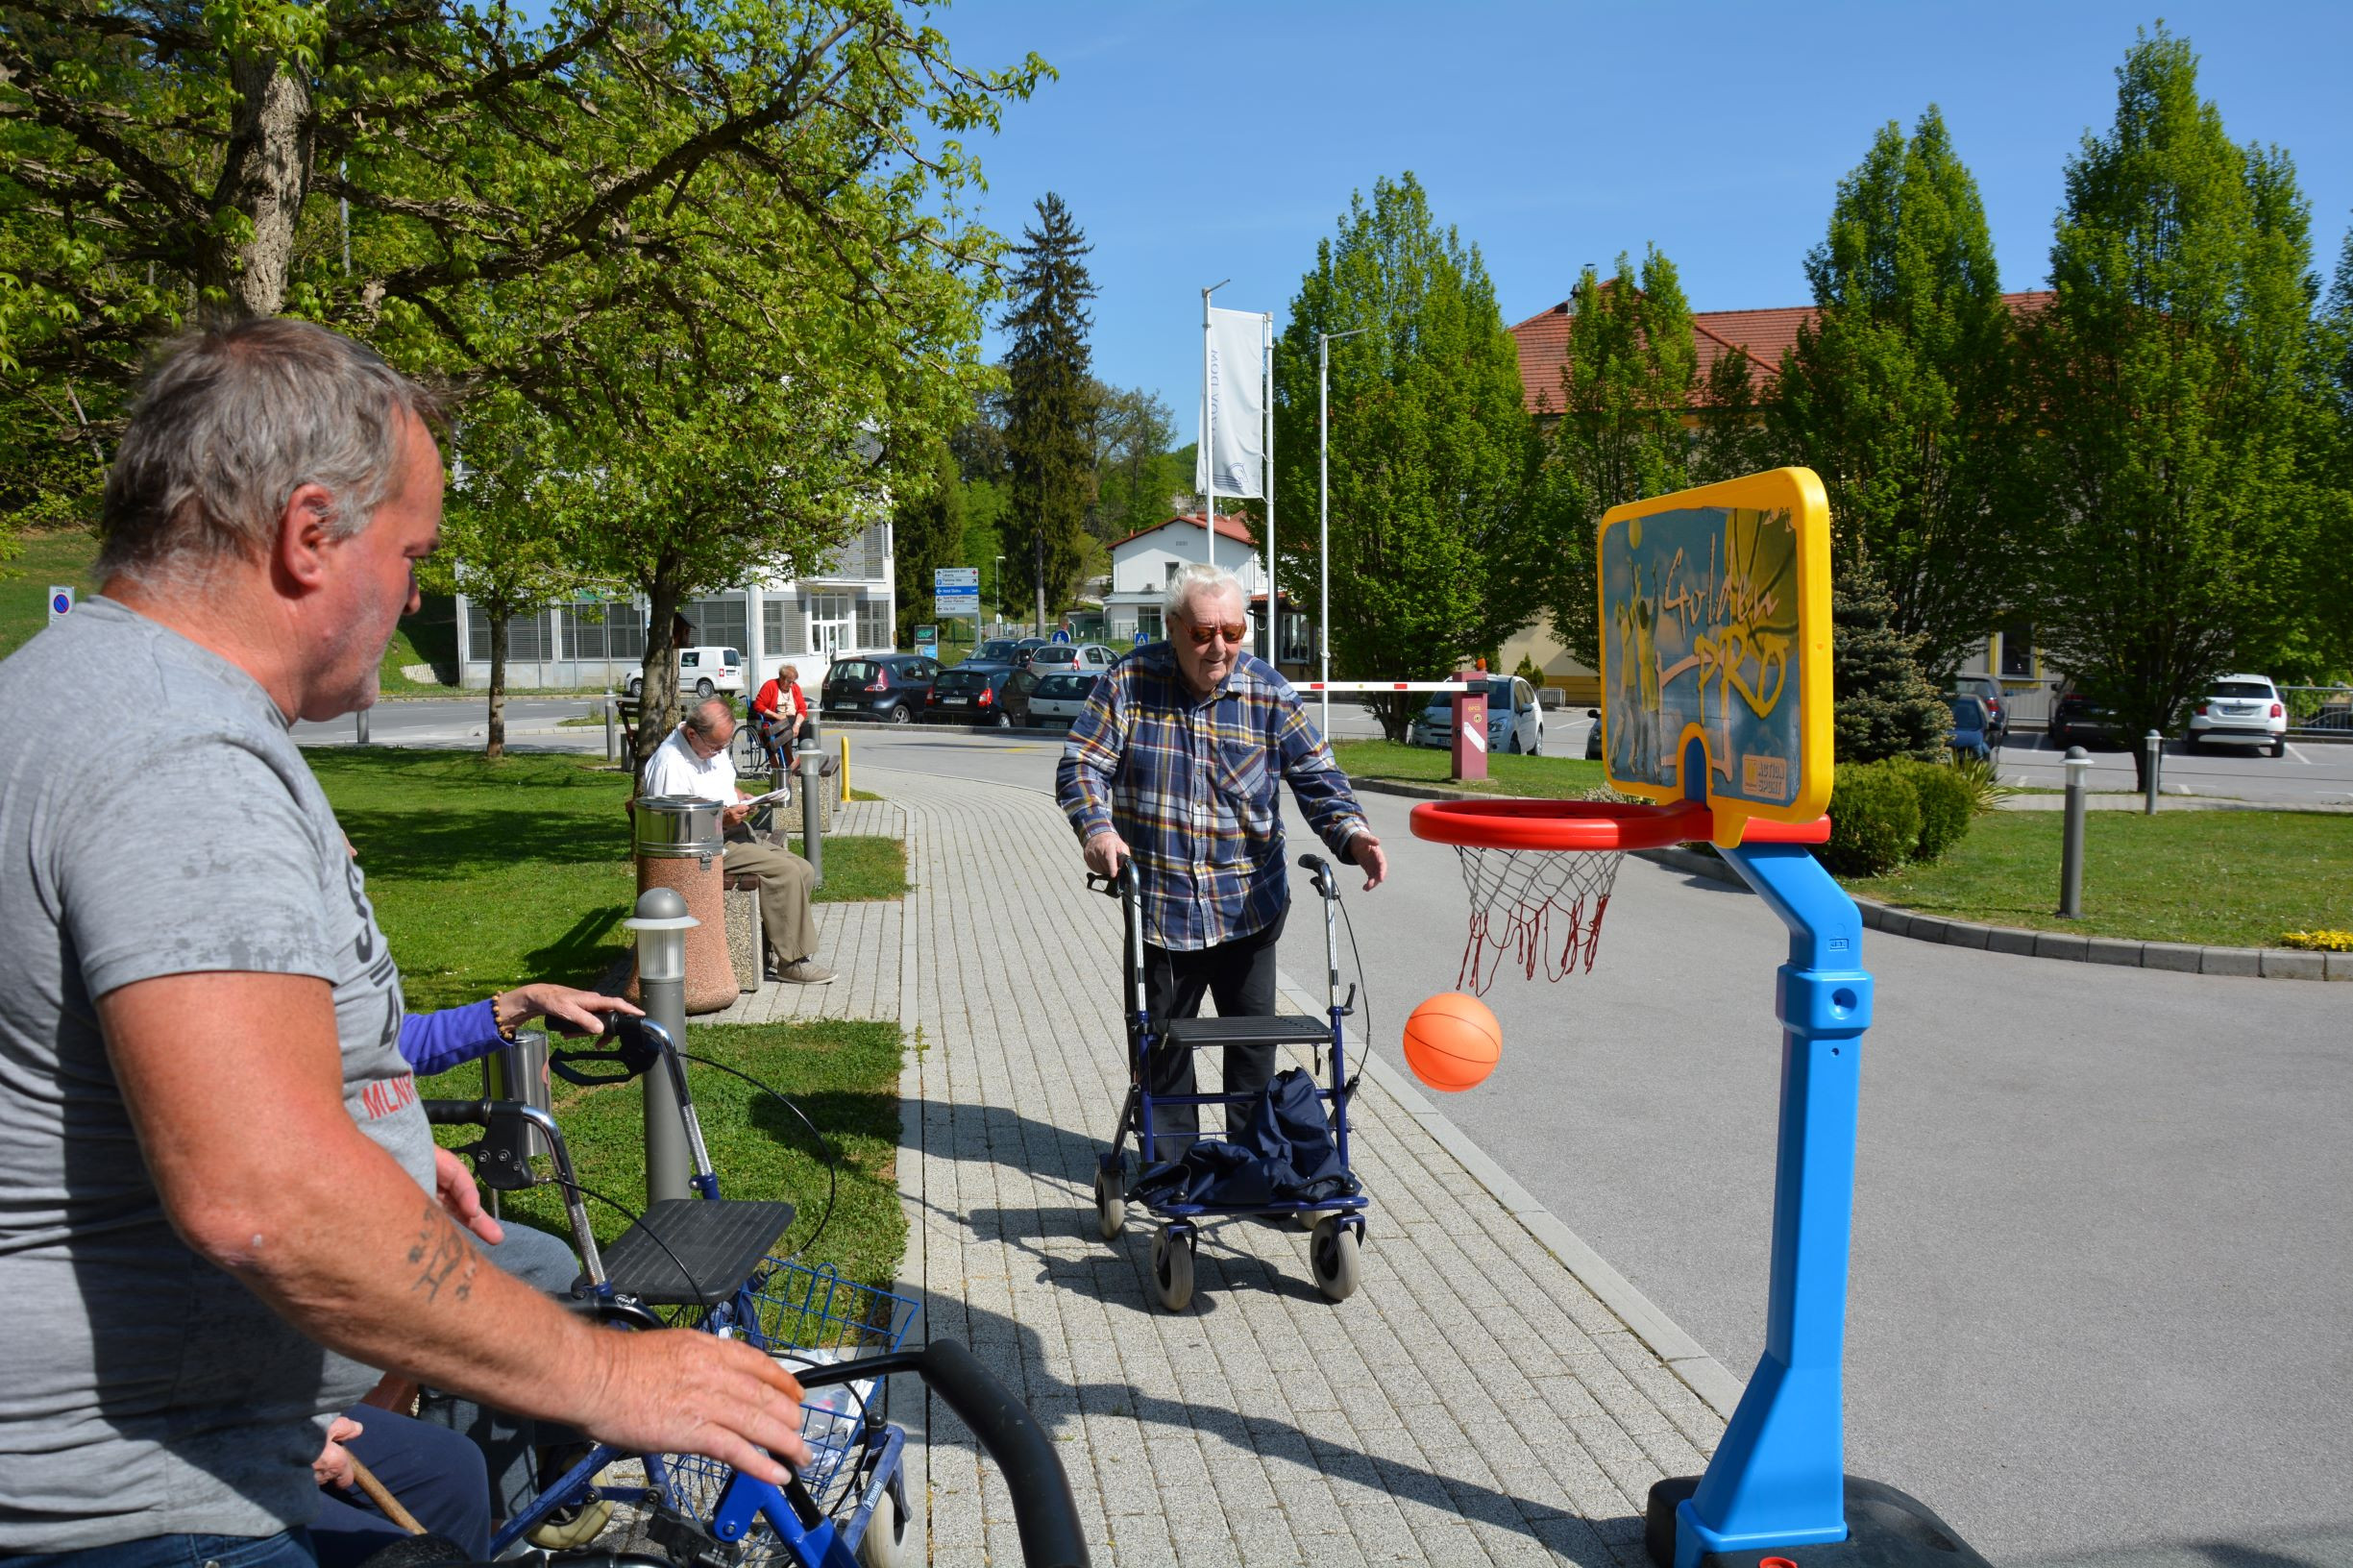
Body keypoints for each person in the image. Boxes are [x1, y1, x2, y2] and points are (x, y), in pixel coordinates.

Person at [0, 318, 810, 1564]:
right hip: (141, 1509)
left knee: (440, 1493)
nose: (419, 592)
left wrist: (369, 1131)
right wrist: (609, 1377)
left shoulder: (78, 688)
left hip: (183, 1449)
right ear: (308, 534)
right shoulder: (176, 753)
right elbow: (263, 1200)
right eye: (412, 550)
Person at [1056, 562, 1388, 1152]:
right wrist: (1098, 830)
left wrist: (1353, 835)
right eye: (1204, 632)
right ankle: (1175, 1179)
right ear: (1173, 625)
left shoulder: (1267, 690)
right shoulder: (1130, 682)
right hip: (1161, 910)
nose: (1219, 647)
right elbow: (1082, 763)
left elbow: (1316, 775)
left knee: (1253, 1051)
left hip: (1248, 908)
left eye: (1232, 633)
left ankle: (1254, 1169)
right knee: (1164, 1050)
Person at [642, 698, 835, 986]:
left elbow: (720, 781)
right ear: (692, 734)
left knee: (803, 869)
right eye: (716, 747)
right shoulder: (670, 765)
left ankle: (772, 947)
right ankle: (792, 961)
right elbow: (674, 834)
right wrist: (723, 819)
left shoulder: (705, 745)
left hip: (730, 832)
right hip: (706, 850)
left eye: (723, 747)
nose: (719, 752)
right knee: (785, 873)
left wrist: (740, 796)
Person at [748, 663, 807, 774]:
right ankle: (787, 764)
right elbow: (758, 705)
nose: (792, 685)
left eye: (793, 682)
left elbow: (802, 709)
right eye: (789, 681)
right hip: (775, 721)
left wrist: (797, 725)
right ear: (782, 678)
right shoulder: (770, 685)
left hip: (793, 719)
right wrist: (777, 716)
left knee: (808, 727)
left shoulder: (795, 688)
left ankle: (806, 760)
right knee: (787, 727)